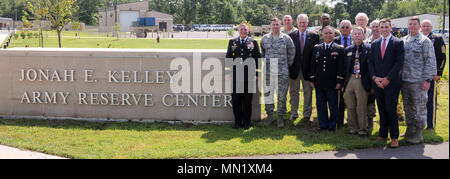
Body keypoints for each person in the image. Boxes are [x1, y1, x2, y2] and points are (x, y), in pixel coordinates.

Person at [368, 18, 404, 148]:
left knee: (390, 109)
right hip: (377, 83)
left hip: (392, 83)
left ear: (391, 28)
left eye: (385, 27)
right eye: (381, 27)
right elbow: (370, 62)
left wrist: (388, 78)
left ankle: (394, 137)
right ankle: (383, 135)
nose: (383, 29)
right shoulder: (375, 43)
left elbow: (399, 63)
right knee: (382, 109)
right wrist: (374, 78)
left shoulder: (398, 43)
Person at [400, 16, 437, 144]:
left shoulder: (424, 41)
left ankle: (419, 133)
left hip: (418, 80)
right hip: (405, 79)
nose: (412, 26)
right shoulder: (403, 40)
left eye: (414, 24)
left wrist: (428, 79)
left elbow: (430, 61)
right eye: (410, 24)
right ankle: (410, 128)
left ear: (419, 26)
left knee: (419, 107)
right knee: (408, 106)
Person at [261, 17, 296, 128]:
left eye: (277, 24)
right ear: (270, 26)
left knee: (282, 95)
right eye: (273, 24)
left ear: (280, 26)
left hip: (282, 72)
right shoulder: (264, 38)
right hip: (268, 72)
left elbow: (292, 51)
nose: (275, 26)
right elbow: (262, 53)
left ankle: (280, 117)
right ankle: (270, 115)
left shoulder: (286, 38)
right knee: (268, 94)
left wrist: (286, 64)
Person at [226, 23, 261, 130]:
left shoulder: (253, 42)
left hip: (249, 77)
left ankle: (247, 123)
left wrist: (256, 74)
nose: (243, 31)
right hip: (235, 76)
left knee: (247, 101)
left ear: (248, 30)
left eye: (245, 29)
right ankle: (237, 122)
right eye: (241, 29)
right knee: (236, 101)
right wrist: (228, 73)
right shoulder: (232, 42)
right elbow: (228, 58)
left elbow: (257, 59)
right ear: (238, 30)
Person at [310, 26, 345, 132]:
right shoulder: (317, 48)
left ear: (334, 35)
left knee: (333, 105)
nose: (328, 35)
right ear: (322, 34)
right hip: (319, 82)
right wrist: (312, 79)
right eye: (326, 33)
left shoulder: (339, 48)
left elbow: (341, 67)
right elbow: (313, 65)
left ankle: (332, 125)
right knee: (320, 105)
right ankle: (323, 124)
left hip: (333, 83)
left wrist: (339, 81)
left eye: (330, 33)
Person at [288, 14, 320, 123]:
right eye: (300, 22)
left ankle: (307, 114)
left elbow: (316, 55)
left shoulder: (314, 36)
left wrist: (314, 72)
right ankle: (294, 113)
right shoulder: (291, 36)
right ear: (297, 23)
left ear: (307, 23)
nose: (302, 24)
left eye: (304, 22)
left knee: (308, 92)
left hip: (308, 69)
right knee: (293, 92)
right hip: (294, 69)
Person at [343, 27, 372, 137]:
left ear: (363, 35)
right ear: (352, 36)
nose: (357, 36)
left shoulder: (369, 48)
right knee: (350, 105)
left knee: (361, 106)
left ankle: (362, 129)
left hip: (361, 79)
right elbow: (344, 67)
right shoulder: (348, 50)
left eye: (359, 34)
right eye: (355, 34)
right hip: (350, 79)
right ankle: (352, 128)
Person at [421, 19, 447, 131]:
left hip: (432, 74)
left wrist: (438, 73)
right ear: (420, 27)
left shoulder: (437, 39)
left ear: (431, 27)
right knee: (419, 100)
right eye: (424, 26)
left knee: (430, 100)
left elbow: (442, 57)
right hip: (418, 74)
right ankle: (419, 124)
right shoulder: (418, 38)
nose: (426, 28)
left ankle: (430, 125)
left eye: (428, 26)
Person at [334, 20, 353, 127]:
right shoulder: (335, 40)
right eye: (343, 27)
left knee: (352, 99)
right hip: (339, 73)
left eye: (347, 27)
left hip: (352, 73)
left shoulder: (356, 39)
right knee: (340, 99)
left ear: (351, 29)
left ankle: (351, 120)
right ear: (340, 29)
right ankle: (339, 121)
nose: (345, 29)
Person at [364, 20, 381, 133]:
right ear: (370, 27)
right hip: (369, 76)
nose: (375, 29)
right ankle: (370, 123)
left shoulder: (385, 41)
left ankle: (384, 125)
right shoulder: (366, 42)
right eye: (373, 26)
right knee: (369, 100)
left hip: (382, 77)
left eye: (377, 26)